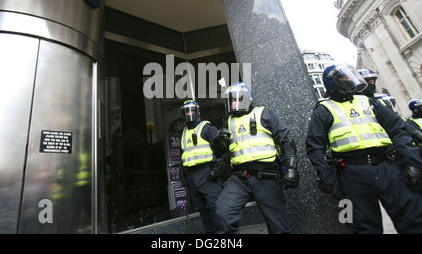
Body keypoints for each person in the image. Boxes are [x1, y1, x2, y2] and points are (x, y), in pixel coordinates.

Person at [306, 63, 422, 233]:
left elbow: (398, 130)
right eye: (344, 77)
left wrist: (412, 162)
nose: (349, 80)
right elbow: (314, 146)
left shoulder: (369, 102)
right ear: (333, 83)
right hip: (352, 173)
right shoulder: (323, 111)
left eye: (350, 76)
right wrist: (325, 175)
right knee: (362, 226)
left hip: (387, 166)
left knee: (413, 217)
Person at [212, 82, 299, 234]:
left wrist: (291, 168)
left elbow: (285, 141)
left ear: (247, 98)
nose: (234, 103)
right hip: (239, 178)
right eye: (231, 100)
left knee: (279, 227)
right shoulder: (228, 122)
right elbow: (220, 152)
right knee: (222, 214)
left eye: (237, 98)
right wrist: (218, 139)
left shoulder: (264, 113)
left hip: (266, 176)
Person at [179, 99, 221, 234]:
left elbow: (220, 151)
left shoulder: (207, 128)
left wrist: (217, 170)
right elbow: (184, 154)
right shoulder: (184, 132)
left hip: (207, 173)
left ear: (197, 112)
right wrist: (182, 172)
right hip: (191, 175)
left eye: (191, 111)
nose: (189, 114)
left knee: (215, 207)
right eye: (186, 112)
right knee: (202, 209)